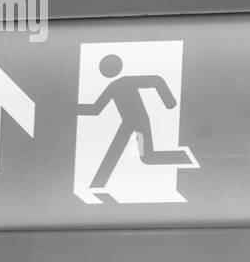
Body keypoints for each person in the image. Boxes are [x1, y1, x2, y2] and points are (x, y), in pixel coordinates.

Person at [78, 53, 192, 189]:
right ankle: (97, 185)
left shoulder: (124, 82)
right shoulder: (113, 86)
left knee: (147, 157)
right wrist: (69, 108)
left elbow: (156, 80)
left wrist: (169, 102)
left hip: (139, 124)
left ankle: (186, 158)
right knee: (140, 155)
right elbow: (96, 109)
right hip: (128, 124)